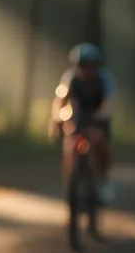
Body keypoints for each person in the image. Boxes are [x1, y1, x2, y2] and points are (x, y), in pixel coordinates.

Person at [48, 43, 115, 204]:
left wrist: (100, 116)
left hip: (98, 117)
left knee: (100, 143)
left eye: (88, 66)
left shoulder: (103, 79)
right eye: (82, 66)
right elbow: (60, 102)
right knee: (69, 143)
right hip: (77, 117)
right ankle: (70, 179)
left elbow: (107, 103)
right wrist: (56, 121)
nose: (85, 70)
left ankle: (103, 181)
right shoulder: (70, 78)